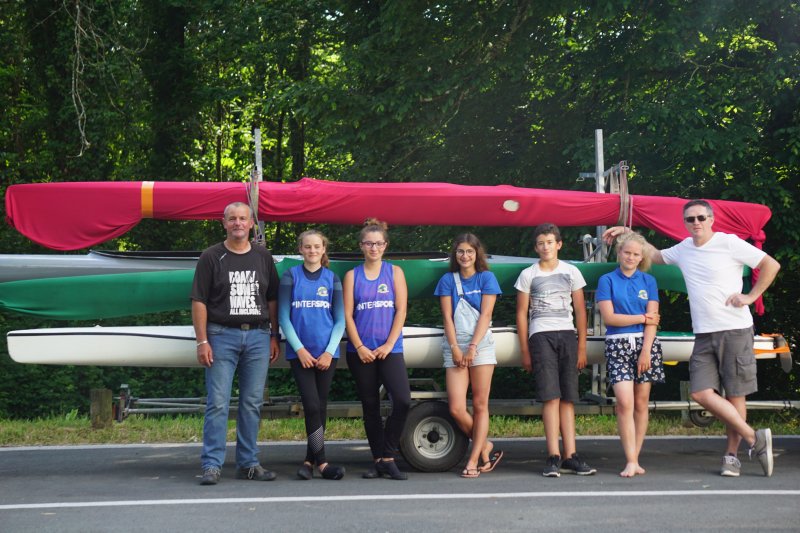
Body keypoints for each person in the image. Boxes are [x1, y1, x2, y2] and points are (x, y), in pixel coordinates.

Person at [603, 199, 781, 477]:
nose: (696, 223)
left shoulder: (729, 242)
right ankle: (754, 438)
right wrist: (627, 232)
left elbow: (771, 264)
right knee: (700, 392)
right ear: (685, 223)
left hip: (734, 328)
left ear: (711, 219)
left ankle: (731, 457)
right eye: (690, 219)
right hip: (703, 333)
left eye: (701, 217)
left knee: (735, 394)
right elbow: (653, 255)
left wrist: (751, 296)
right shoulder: (684, 248)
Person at [191, 201, 280, 485]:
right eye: (232, 219)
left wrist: (274, 335)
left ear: (252, 223)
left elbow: (272, 298)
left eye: (243, 218)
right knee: (217, 403)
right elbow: (199, 300)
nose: (238, 223)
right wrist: (202, 341)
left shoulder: (263, 256)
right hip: (221, 336)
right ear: (224, 223)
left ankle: (248, 463)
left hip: (258, 336)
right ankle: (212, 465)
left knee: (252, 403)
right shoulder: (211, 256)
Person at [514, 223, 596, 477]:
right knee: (551, 397)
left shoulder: (571, 271)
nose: (545, 247)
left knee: (568, 397)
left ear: (558, 244)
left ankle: (571, 455)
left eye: (549, 242)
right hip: (541, 336)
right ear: (535, 247)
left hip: (567, 335)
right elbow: (521, 313)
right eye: (541, 243)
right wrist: (525, 350)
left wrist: (582, 346)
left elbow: (580, 310)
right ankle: (553, 455)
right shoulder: (528, 274)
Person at [343, 218, 411, 480]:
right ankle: (378, 460)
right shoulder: (352, 276)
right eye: (369, 244)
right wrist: (359, 346)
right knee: (370, 405)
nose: (374, 248)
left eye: (378, 244)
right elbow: (348, 315)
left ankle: (388, 455)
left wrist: (389, 344)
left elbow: (401, 310)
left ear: (385, 245)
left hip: (390, 349)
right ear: (362, 246)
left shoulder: (395, 273)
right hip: (361, 352)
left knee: (402, 400)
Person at [278, 229, 347, 481]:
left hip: (327, 354)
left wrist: (329, 351)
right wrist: (300, 350)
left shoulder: (332, 278)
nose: (312, 251)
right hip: (300, 354)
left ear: (323, 249)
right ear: (300, 249)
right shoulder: (290, 276)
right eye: (307, 246)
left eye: (317, 246)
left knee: (319, 405)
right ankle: (323, 462)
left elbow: (340, 321)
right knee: (311, 404)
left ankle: (310, 461)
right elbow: (283, 317)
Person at [435, 234, 504, 478]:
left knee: (480, 404)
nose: (465, 256)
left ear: (477, 254)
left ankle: (474, 460)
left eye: (470, 252)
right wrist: (455, 347)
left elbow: (486, 315)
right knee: (456, 407)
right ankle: (484, 445)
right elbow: (447, 317)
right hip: (454, 344)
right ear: (455, 254)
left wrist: (473, 346)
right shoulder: (447, 280)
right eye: (461, 251)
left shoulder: (487, 278)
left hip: (481, 345)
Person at [596, 232, 665, 477]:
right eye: (627, 252)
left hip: (646, 345)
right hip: (618, 344)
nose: (631, 257)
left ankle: (636, 458)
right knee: (625, 403)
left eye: (636, 254)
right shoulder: (607, 280)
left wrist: (646, 351)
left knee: (641, 402)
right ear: (619, 253)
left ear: (641, 257)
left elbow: (653, 321)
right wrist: (642, 317)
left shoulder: (648, 281)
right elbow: (610, 318)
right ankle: (630, 459)